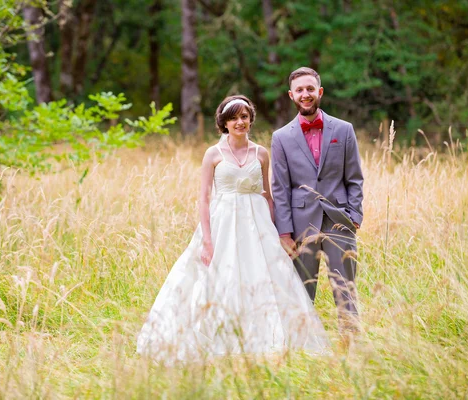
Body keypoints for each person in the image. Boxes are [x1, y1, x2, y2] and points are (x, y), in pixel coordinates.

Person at [137, 95, 329, 363]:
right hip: (223, 221)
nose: (240, 122)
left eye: (244, 117)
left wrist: (279, 233)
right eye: (234, 118)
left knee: (262, 274)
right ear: (224, 123)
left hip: (256, 222)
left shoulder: (261, 152)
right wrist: (207, 240)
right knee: (218, 274)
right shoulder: (212, 154)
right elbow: (204, 198)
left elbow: (267, 193)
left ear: (250, 120)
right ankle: (214, 335)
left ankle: (267, 337)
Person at [271, 67, 364, 337]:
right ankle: (301, 349)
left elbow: (355, 178)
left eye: (310, 89)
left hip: (340, 223)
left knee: (345, 291)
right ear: (291, 95)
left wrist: (354, 216)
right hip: (301, 226)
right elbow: (280, 188)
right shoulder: (281, 137)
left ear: (319, 92)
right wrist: (285, 233)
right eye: (299, 90)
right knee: (301, 293)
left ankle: (351, 347)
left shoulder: (344, 130)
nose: (305, 94)